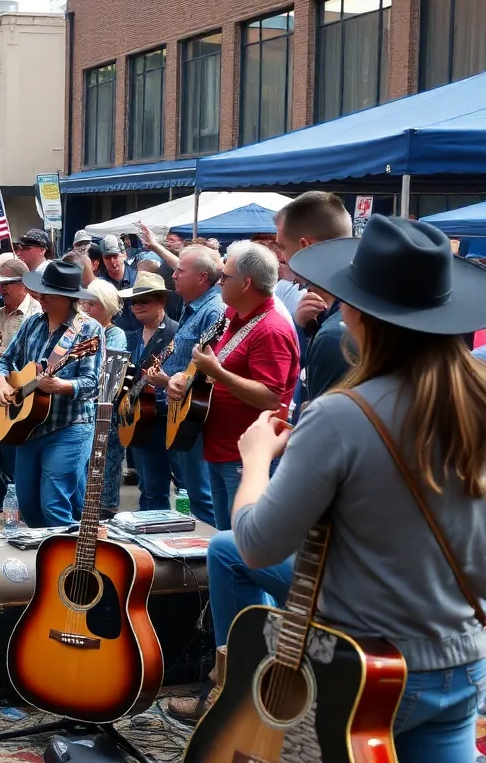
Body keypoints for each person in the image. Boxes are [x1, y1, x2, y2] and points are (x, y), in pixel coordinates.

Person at [208, 215, 486, 760]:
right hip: (461, 657)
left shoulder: (343, 415)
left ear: (359, 313)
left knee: (226, 549)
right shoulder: (475, 395)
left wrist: (256, 460)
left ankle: (230, 681)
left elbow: (257, 544)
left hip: (368, 666)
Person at [177, 241, 299, 529]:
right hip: (222, 449)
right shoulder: (231, 316)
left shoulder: (271, 330)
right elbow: (208, 365)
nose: (219, 282)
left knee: (242, 540)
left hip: (246, 458)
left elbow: (271, 396)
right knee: (225, 536)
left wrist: (218, 373)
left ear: (246, 283)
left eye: (225, 276)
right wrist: (182, 380)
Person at [0, 262, 101, 528]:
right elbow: (5, 360)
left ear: (68, 298)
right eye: (41, 292)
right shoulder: (32, 323)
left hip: (69, 426)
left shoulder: (87, 330)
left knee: (54, 504)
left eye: (48, 294)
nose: (40, 297)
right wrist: (2, 384)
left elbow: (92, 384)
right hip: (27, 428)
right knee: (28, 505)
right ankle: (43, 553)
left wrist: (61, 385)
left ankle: (67, 553)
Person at [132, 245, 224, 529]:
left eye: (180, 271)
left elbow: (214, 369)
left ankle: (209, 551)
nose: (173, 275)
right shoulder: (191, 307)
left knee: (201, 495)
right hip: (176, 411)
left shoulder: (214, 311)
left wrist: (171, 380)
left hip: (194, 414)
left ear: (202, 277)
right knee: (188, 493)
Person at [273, 191, 354, 411]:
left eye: (282, 247)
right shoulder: (345, 314)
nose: (282, 258)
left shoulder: (336, 335)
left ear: (305, 247)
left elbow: (327, 429)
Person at [116, 273, 179, 512]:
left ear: (161, 301)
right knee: (149, 487)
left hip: (167, 417)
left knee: (184, 486)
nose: (137, 306)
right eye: (133, 302)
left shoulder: (175, 333)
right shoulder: (131, 338)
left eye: (144, 301)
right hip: (139, 420)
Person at [0, 259, 42, 506]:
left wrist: (3, 356)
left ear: (23, 284)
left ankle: (22, 500)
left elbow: (37, 361)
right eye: (0, 284)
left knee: (21, 452)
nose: (2, 289)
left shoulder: (36, 314)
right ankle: (3, 499)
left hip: (28, 395)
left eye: (7, 284)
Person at [80, 279, 128, 519]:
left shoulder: (115, 333)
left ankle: (105, 512)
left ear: (107, 306)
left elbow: (110, 375)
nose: (86, 309)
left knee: (105, 465)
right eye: (85, 304)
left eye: (92, 304)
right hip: (87, 407)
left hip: (105, 409)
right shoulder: (83, 331)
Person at [96, 235, 140, 334]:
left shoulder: (137, 278)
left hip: (138, 333)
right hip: (111, 334)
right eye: (107, 257)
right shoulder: (99, 283)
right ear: (102, 259)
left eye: (115, 256)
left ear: (124, 255)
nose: (112, 261)